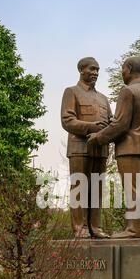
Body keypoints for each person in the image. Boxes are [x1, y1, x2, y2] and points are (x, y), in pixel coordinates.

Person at [87, 56, 140, 238]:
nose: (122, 73)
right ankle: (138, 228)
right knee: (139, 189)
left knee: (133, 189)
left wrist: (98, 137)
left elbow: (121, 125)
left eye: (123, 69)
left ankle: (135, 229)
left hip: (130, 148)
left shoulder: (128, 91)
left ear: (129, 69)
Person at [61, 57, 112, 238]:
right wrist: (92, 127)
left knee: (97, 189)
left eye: (98, 70)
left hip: (100, 150)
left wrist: (111, 125)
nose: (96, 73)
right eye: (92, 69)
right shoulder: (71, 92)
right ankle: (79, 228)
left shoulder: (103, 98)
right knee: (79, 188)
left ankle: (95, 227)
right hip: (79, 148)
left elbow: (111, 122)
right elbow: (67, 121)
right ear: (81, 70)